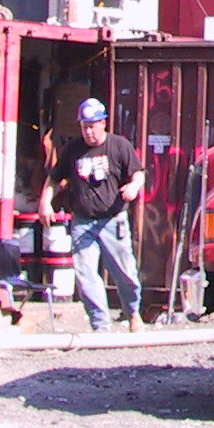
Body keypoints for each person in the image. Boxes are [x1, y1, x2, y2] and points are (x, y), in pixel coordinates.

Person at [39, 98, 145, 332]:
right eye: (84, 126)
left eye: (93, 125)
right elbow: (55, 179)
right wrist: (45, 203)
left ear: (103, 123)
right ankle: (100, 325)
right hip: (83, 223)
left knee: (125, 272)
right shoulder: (73, 150)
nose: (88, 131)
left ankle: (133, 312)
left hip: (112, 219)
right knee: (86, 274)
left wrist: (134, 187)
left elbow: (138, 174)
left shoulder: (119, 146)